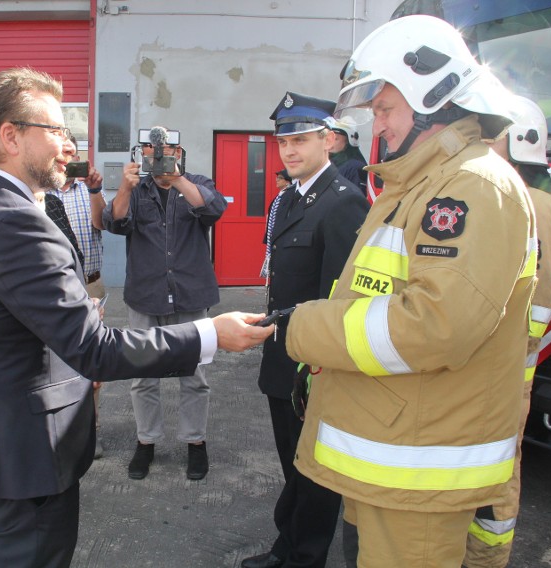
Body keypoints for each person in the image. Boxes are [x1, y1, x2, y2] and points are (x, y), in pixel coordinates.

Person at [0, 67, 272, 568]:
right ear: (10, 136)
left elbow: (5, 326)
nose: (68, 148)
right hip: (23, 457)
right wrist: (210, 333)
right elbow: (96, 348)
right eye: (56, 132)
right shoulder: (18, 222)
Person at [284, 15, 538, 567]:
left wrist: (305, 327)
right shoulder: (423, 181)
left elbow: (435, 326)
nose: (377, 125)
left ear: (434, 98)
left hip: (421, 472)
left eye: (384, 108)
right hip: (396, 455)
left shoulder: (472, 184)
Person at [242, 93, 369, 568]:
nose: (290, 151)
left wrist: (315, 369)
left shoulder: (342, 202)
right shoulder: (291, 198)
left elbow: (340, 301)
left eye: (301, 140)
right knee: (293, 464)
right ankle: (287, 545)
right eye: (283, 142)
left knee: (314, 471)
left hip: (312, 368)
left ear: (329, 141)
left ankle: (304, 556)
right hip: (282, 356)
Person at [463, 95, 551, 568]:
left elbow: (539, 299)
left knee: (497, 476)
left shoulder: (536, 203)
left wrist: (506, 350)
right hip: (482, 368)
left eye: (491, 136)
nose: (481, 143)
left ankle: (485, 559)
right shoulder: (495, 189)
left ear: (521, 140)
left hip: (505, 375)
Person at [102, 126, 227, 482]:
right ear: (140, 154)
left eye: (167, 149)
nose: (159, 156)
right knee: (142, 376)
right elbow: (115, 222)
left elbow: (213, 209)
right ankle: (146, 441)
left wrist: (178, 179)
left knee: (195, 375)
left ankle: (195, 442)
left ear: (180, 151)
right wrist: (124, 187)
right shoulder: (136, 190)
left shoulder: (198, 182)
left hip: (190, 293)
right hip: (146, 295)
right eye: (151, 150)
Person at [45, 134, 109, 458]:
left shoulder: (87, 190)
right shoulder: (43, 193)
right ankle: (60, 428)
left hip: (91, 285)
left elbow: (102, 223)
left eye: (73, 152)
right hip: (56, 289)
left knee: (91, 361)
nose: (68, 158)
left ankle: (90, 430)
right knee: (57, 361)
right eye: (63, 152)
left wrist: (96, 190)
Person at [327, 117, 367, 194]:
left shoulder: (355, 167)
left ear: (348, 141)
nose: (331, 141)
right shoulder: (328, 163)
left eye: (336, 139)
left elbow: (356, 199)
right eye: (329, 138)